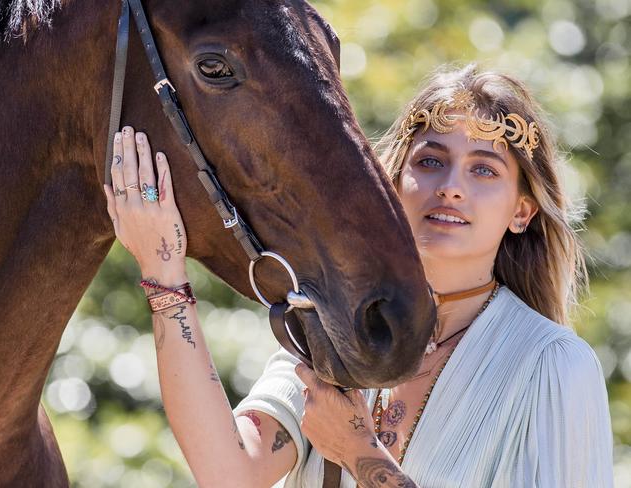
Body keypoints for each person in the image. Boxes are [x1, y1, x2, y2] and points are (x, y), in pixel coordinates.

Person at [103, 64, 614, 487]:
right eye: (431, 161)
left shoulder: (552, 365)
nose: (451, 187)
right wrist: (162, 265)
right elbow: (229, 471)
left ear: (522, 211)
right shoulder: (334, 328)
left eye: (484, 169)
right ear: (393, 184)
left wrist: (358, 452)